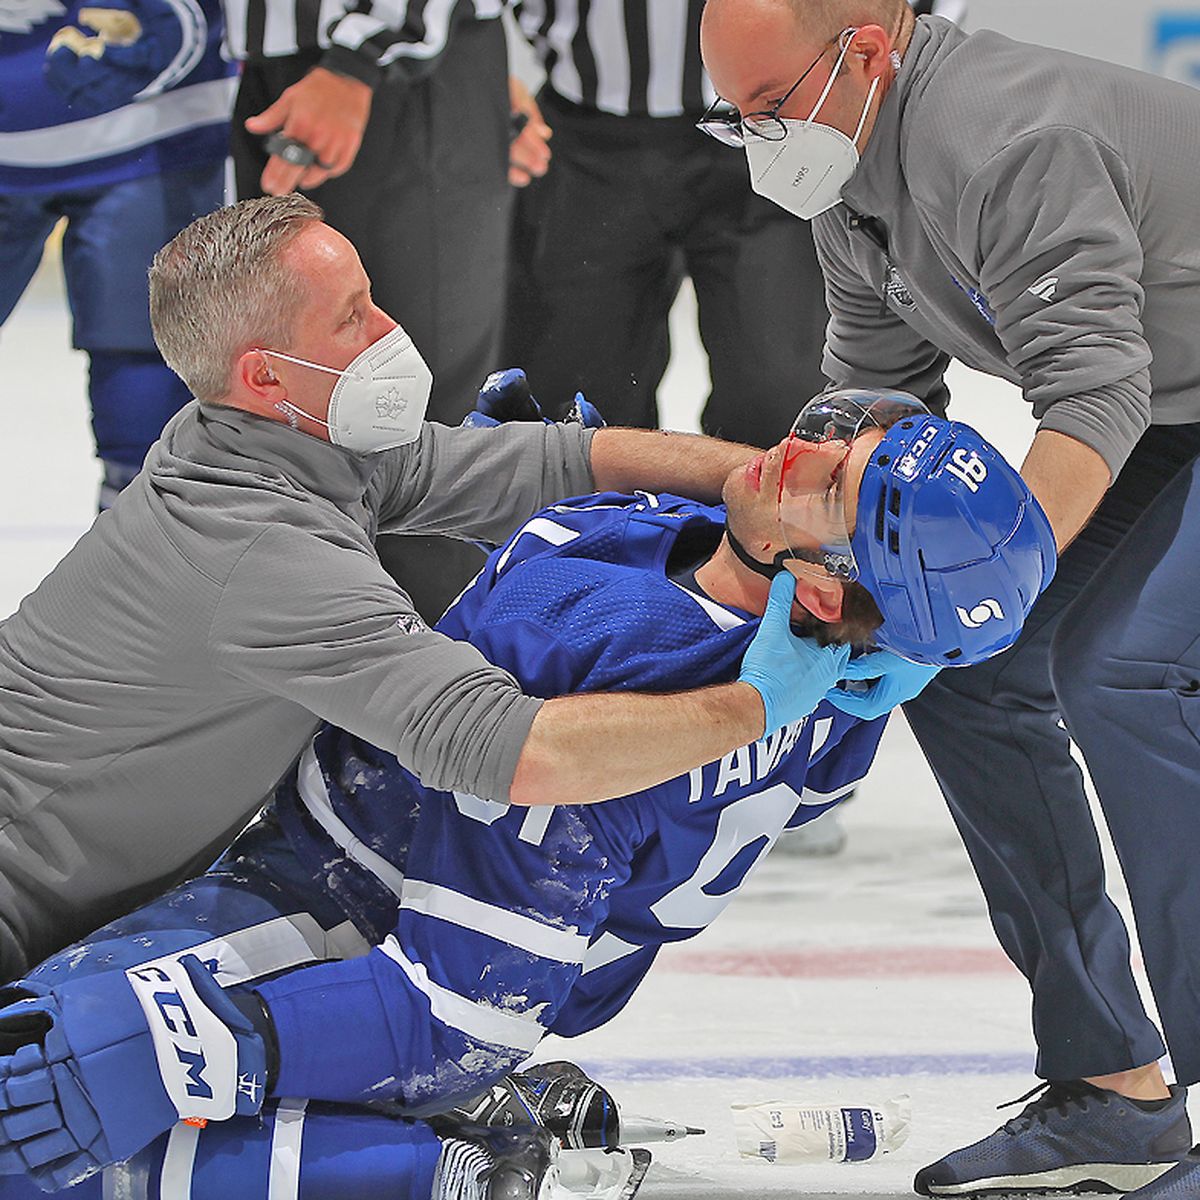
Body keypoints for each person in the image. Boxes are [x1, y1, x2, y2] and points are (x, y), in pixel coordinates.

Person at [0, 390, 1055, 1197]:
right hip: (351, 875)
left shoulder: (620, 684)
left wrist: (205, 1049)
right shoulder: (816, 648)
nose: (797, 449)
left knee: (28, 1103)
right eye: (837, 431)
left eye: (831, 486)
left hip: (356, 933)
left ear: (827, 587)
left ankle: (446, 1168)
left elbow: (463, 1010)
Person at [0, 192, 892, 989]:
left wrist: (786, 494)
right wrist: (760, 703)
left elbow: (555, 463)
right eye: (352, 317)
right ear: (266, 376)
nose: (388, 327)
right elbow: (516, 753)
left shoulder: (258, 442)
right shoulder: (263, 555)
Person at [698, 2, 1200, 1196]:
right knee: (972, 671)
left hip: (1145, 408)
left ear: (868, 51)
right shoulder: (850, 174)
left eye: (772, 108)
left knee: (1121, 671)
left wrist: (967, 593)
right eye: (737, 116)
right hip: (1173, 407)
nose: (762, 141)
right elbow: (874, 399)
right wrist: (823, 574)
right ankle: (1109, 1086)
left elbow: (1090, 402)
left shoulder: (1005, 142)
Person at [504, 0, 963, 447]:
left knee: (785, 402)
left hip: (785, 127)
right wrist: (487, 74)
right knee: (573, 405)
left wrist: (903, 95)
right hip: (584, 131)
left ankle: (756, 524)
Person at [223, 0, 516, 619]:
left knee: (401, 407)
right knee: (287, 403)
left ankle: (437, 690)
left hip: (383, 71)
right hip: (303, 64)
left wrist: (360, 59)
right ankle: (312, 669)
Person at [0, 0, 233, 509]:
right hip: (150, 121)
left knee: (152, 352)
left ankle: (146, 546)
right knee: (149, 352)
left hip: (155, 135)